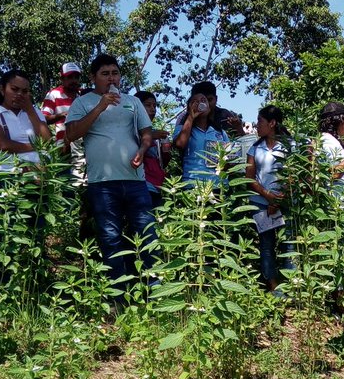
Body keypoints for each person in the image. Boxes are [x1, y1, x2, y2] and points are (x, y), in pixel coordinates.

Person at [64, 54, 155, 283]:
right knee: (110, 238)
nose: (111, 78)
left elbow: (146, 134)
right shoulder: (82, 103)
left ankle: (151, 288)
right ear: (94, 77)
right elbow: (72, 134)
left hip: (135, 181)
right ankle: (118, 293)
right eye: (105, 74)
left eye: (115, 73)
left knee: (146, 234)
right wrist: (100, 106)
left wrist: (142, 151)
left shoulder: (132, 102)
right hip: (102, 183)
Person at [246, 105, 292, 291]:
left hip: (285, 202)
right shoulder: (254, 148)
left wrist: (278, 200)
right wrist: (268, 197)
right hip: (260, 204)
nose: (257, 125)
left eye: (260, 121)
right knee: (266, 245)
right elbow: (249, 178)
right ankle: (273, 286)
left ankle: (291, 285)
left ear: (272, 123)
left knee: (289, 245)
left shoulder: (290, 146)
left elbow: (294, 174)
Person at [0, 70, 51, 171]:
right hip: (9, 175)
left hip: (42, 174)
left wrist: (30, 111)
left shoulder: (35, 112)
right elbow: (3, 145)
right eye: (14, 89)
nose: (19, 94)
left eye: (24, 91)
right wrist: (38, 147)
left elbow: (47, 140)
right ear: (2, 89)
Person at [174, 89, 230, 185]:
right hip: (193, 184)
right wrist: (191, 117)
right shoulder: (182, 128)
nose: (200, 103)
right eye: (195, 102)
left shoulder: (220, 132)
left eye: (204, 100)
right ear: (189, 108)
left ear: (209, 107)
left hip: (219, 186)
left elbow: (228, 157)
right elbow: (180, 144)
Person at [172, 80, 243, 137]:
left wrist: (238, 128)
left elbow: (241, 143)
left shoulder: (224, 115)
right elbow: (177, 146)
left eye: (209, 100)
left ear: (216, 99)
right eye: (201, 102)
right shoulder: (184, 118)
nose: (206, 105)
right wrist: (190, 119)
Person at [136, 91, 170, 206]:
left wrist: (166, 151)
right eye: (148, 105)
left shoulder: (156, 133)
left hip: (157, 186)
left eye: (155, 106)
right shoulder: (130, 130)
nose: (153, 109)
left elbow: (162, 163)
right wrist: (150, 136)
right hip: (141, 185)